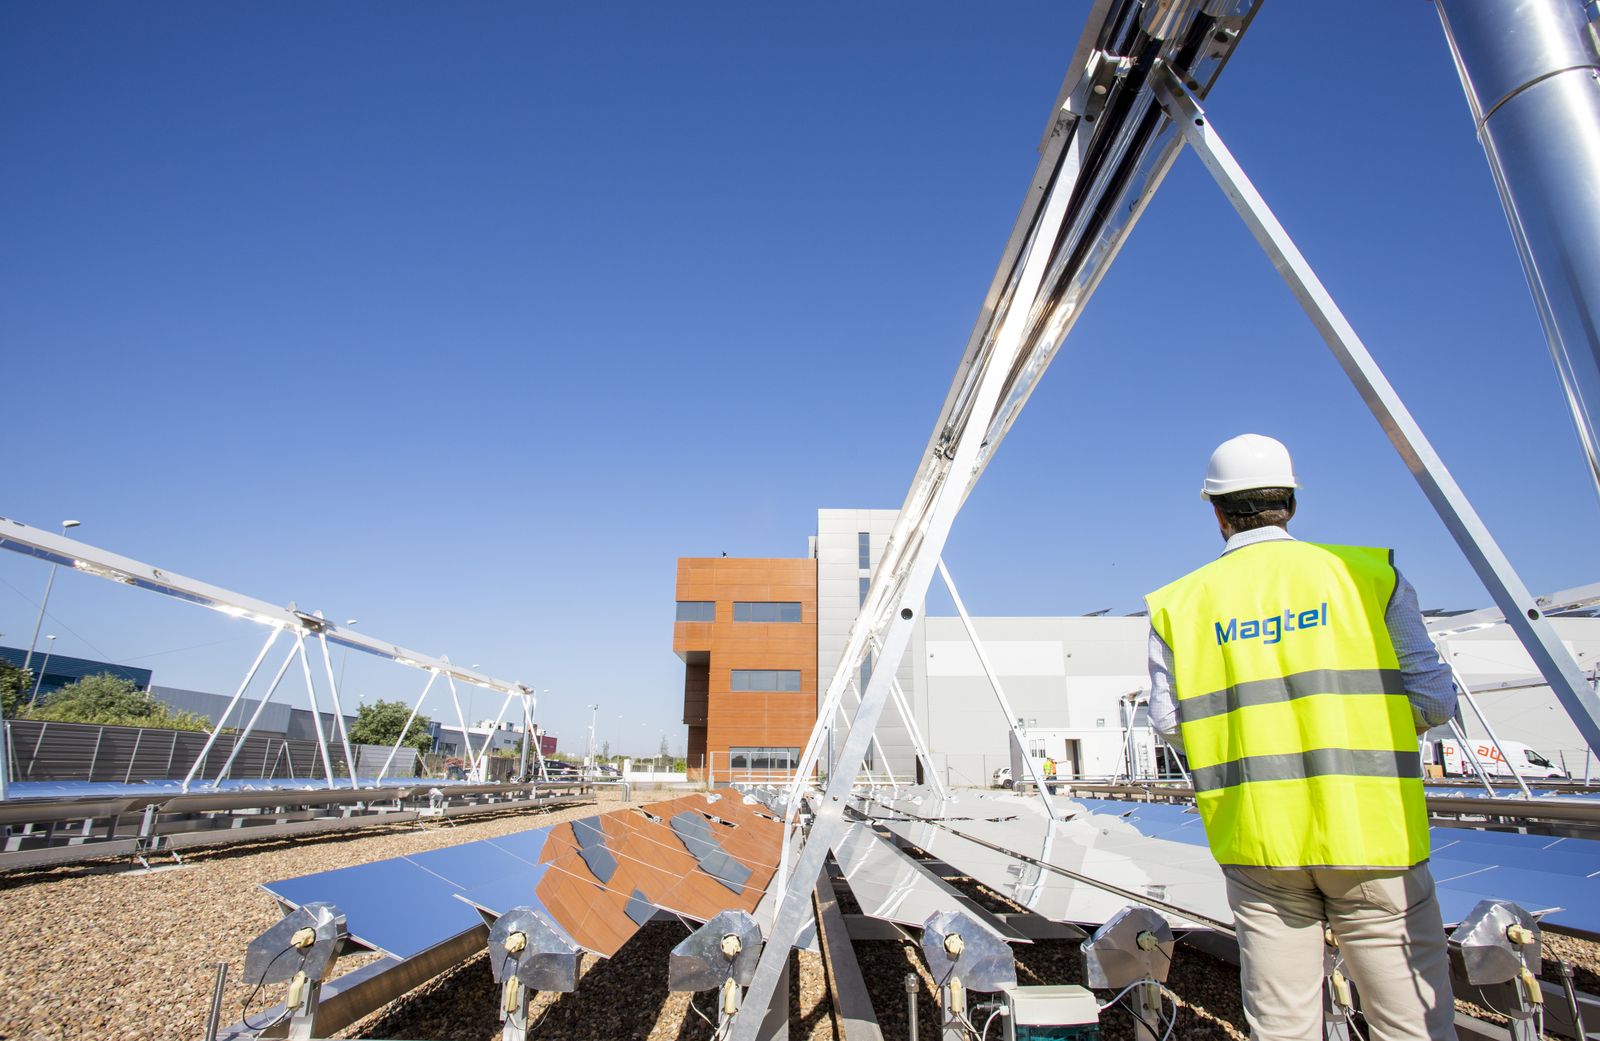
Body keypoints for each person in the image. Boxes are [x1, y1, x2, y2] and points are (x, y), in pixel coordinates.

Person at [1144, 434, 1458, 1041]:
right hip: (1374, 833)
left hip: (1258, 838)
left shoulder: (1178, 605)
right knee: (1410, 1024)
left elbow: (1167, 724)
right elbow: (1433, 700)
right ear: (1290, 501)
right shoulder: (1370, 577)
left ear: (1216, 511)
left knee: (1283, 1024)